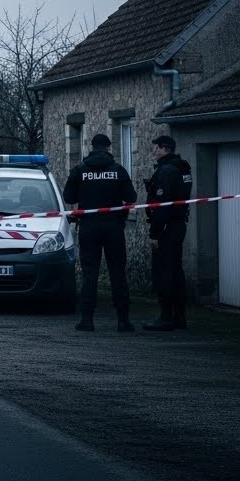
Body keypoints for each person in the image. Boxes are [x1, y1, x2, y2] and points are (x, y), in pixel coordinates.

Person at [63, 133, 138, 332]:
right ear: (109, 148)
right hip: (114, 228)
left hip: (88, 227)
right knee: (117, 274)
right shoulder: (118, 170)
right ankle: (123, 320)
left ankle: (87, 320)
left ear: (91, 147)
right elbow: (131, 196)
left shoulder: (80, 170)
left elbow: (68, 196)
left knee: (90, 274)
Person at [143, 135, 192, 331]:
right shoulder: (183, 168)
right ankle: (179, 317)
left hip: (167, 227)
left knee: (164, 272)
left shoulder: (166, 171)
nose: (153, 152)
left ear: (164, 148)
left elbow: (161, 205)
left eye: (155, 148)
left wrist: (155, 233)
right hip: (179, 224)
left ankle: (165, 317)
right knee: (176, 270)